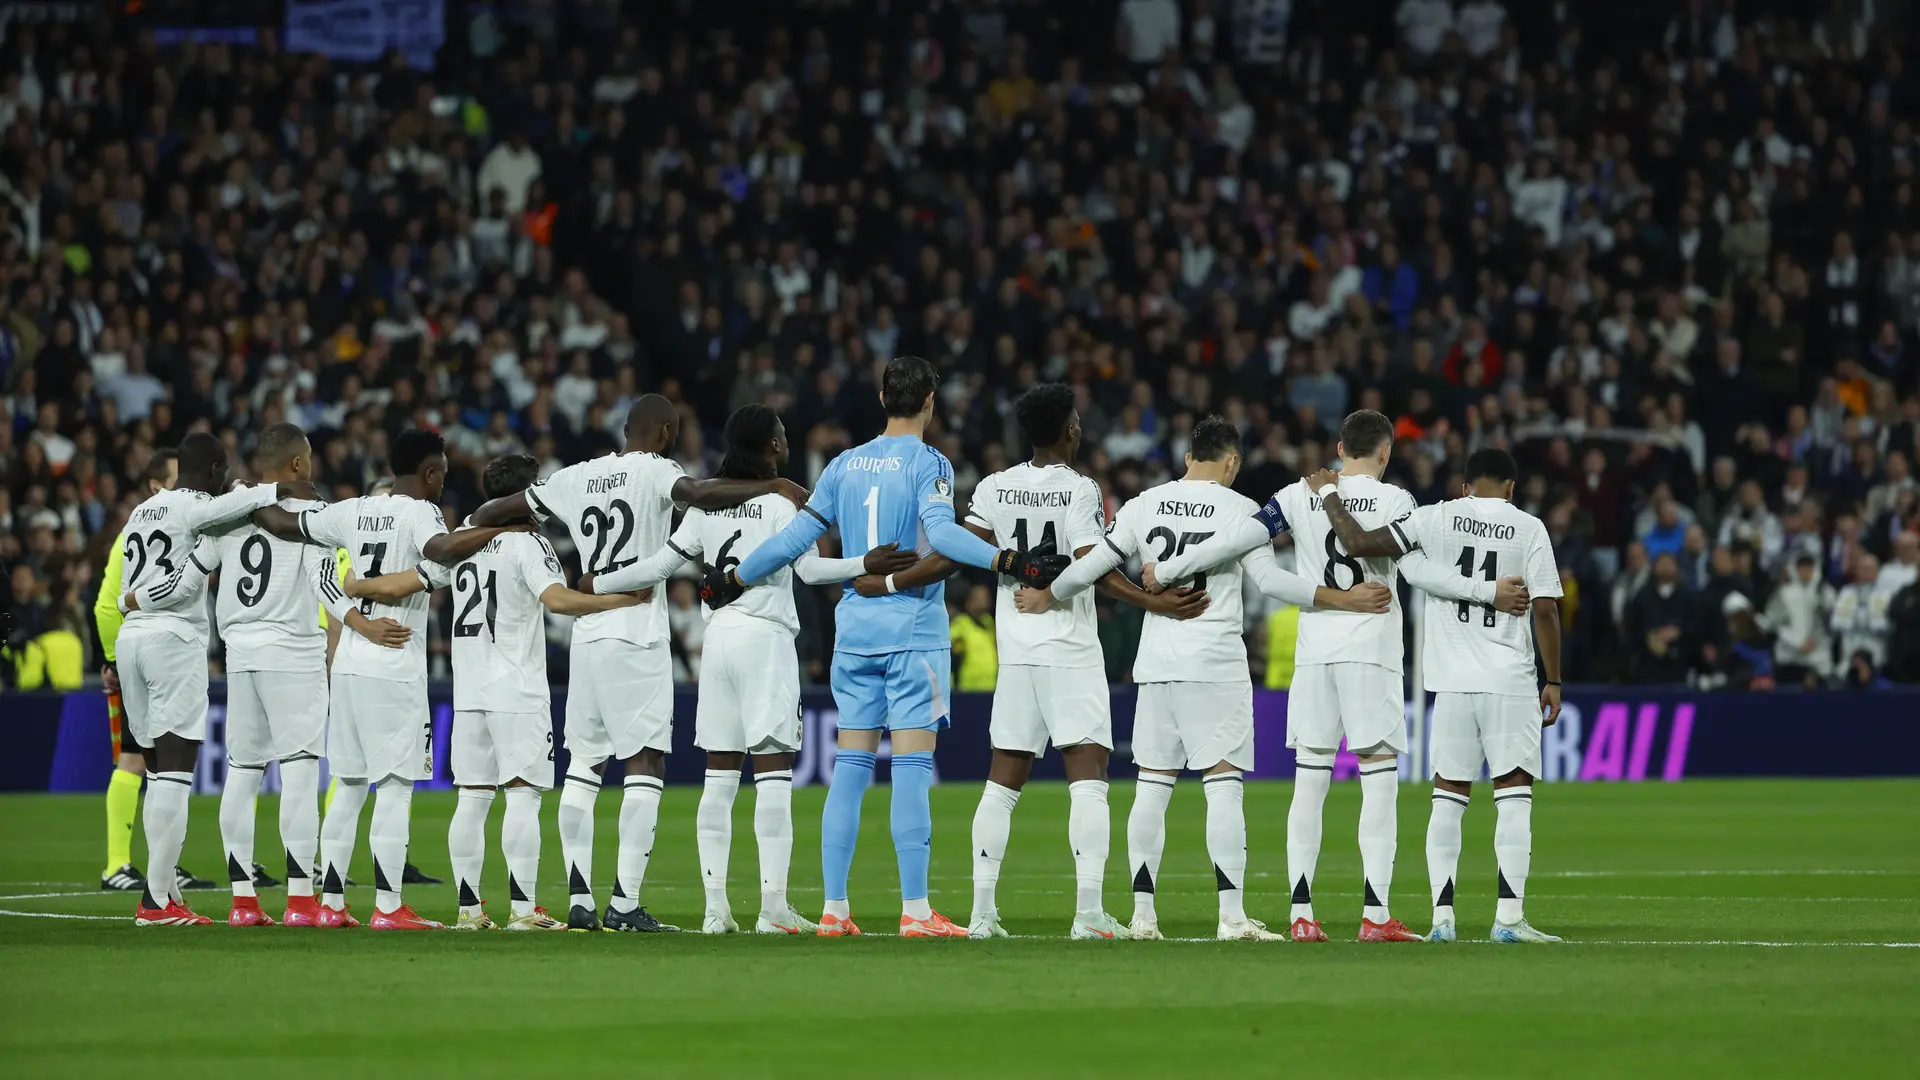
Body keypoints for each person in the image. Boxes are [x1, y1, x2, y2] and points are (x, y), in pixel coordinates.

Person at [707, 356, 1070, 937]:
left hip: (854, 635)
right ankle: (917, 912)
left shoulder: (844, 465)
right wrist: (1008, 559)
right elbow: (946, 535)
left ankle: (833, 910)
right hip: (912, 637)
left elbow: (797, 539)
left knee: (849, 770)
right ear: (930, 401)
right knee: (910, 768)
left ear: (882, 398)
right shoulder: (931, 463)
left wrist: (733, 579)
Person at [1141, 409, 1529, 943]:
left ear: (1340, 448)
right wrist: (1486, 591)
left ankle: (1301, 913)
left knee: (1310, 781)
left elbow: (1235, 540)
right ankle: (1375, 916)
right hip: (1371, 651)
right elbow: (1414, 571)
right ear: (1386, 453)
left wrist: (1165, 569)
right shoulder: (1398, 502)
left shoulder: (1296, 494)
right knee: (1378, 781)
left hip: (1314, 655)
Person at [1020, 416, 1401, 941]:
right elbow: (1269, 582)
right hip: (1216, 663)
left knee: (1152, 787)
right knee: (1222, 788)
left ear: (1186, 458)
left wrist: (1047, 594)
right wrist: (1343, 599)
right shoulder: (1242, 508)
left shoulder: (1144, 504)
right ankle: (1231, 916)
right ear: (1231, 462)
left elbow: (1095, 566)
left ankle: (1142, 916)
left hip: (1155, 664)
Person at [468, 394, 809, 933]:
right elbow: (696, 493)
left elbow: (492, 511)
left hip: (587, 633)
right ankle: (624, 903)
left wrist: (477, 533)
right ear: (668, 433)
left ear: (626, 428)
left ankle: (579, 897)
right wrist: (771, 485)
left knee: (584, 764)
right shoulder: (656, 470)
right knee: (645, 764)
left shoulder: (573, 476)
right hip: (636, 631)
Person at [883, 383, 1210, 940]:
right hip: (1070, 651)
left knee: (1001, 782)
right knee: (1089, 778)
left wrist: (891, 580)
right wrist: (1153, 602)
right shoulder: (1080, 489)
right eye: (1077, 422)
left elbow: (955, 555)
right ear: (1068, 431)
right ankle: (1087, 913)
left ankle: (983, 913)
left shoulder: (993, 485)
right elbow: (1096, 569)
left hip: (1017, 653)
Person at [579, 404, 914, 935]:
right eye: (780, 436)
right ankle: (773, 909)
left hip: (718, 644)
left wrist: (596, 583)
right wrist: (862, 564)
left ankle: (716, 911)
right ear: (770, 447)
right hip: (764, 640)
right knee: (773, 776)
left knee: (719, 779)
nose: (784, 442)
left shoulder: (708, 504)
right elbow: (811, 570)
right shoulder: (782, 502)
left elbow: (662, 565)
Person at [122, 423, 411, 927]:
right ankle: (301, 901)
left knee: (244, 770)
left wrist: (136, 602)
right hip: (293, 651)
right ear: (298, 464)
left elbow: (191, 573)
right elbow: (324, 581)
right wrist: (361, 624)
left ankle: (243, 901)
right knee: (299, 771)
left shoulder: (229, 517)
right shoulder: (312, 514)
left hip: (239, 652)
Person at [349, 453, 648, 931]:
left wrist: (359, 586)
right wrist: (618, 599)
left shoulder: (463, 538)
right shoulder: (529, 541)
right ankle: (525, 910)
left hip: (468, 690)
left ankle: (470, 911)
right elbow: (557, 600)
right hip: (517, 689)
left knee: (472, 798)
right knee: (524, 798)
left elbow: (416, 578)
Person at [251, 428, 512, 930]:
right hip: (394, 663)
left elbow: (283, 525)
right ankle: (390, 907)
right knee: (394, 788)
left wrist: (252, 498)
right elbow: (441, 549)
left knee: (348, 786)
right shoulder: (421, 512)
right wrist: (497, 530)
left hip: (348, 662)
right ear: (430, 472)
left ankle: (329, 905)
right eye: (442, 474)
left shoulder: (349, 510)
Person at [1313, 448, 1565, 944]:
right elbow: (1547, 609)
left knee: (1448, 797)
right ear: (1511, 488)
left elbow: (1359, 543)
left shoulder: (1435, 516)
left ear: (1465, 484)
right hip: (1509, 679)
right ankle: (1509, 921)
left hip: (1450, 682)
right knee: (1513, 795)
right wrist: (1553, 678)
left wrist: (1329, 495)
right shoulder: (1530, 528)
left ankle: (1442, 920)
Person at [111, 432, 318, 925]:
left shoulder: (143, 510)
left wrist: (127, 603)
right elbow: (187, 576)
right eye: (222, 473)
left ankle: (163, 894)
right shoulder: (199, 507)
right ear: (212, 470)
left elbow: (180, 568)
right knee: (175, 776)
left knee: (158, 773)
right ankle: (157, 900)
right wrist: (268, 490)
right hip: (172, 640)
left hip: (131, 643)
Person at [92, 449, 218, 894]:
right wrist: (108, 659)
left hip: (133, 646)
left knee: (153, 768)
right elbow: (110, 601)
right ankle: (131, 873)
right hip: (152, 645)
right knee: (151, 767)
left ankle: (160, 873)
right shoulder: (149, 526)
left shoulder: (143, 522)